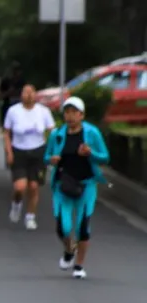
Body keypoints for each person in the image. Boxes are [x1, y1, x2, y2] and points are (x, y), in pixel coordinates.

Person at [44, 97, 110, 279]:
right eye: (67, 112)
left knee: (83, 227)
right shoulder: (57, 134)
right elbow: (47, 156)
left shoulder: (92, 133)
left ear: (81, 115)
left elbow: (105, 157)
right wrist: (52, 159)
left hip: (86, 185)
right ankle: (69, 249)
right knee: (63, 227)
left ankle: (79, 265)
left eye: (74, 112)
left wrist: (91, 153)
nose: (70, 116)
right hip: (63, 185)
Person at [3, 84, 55, 230]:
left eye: (31, 92)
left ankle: (30, 216)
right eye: (25, 92)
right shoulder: (13, 111)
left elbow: (51, 131)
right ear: (21, 95)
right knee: (20, 187)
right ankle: (16, 204)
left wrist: (51, 150)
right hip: (19, 151)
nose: (29, 95)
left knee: (33, 186)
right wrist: (9, 152)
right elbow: (7, 133)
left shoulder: (43, 111)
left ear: (35, 95)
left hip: (38, 151)